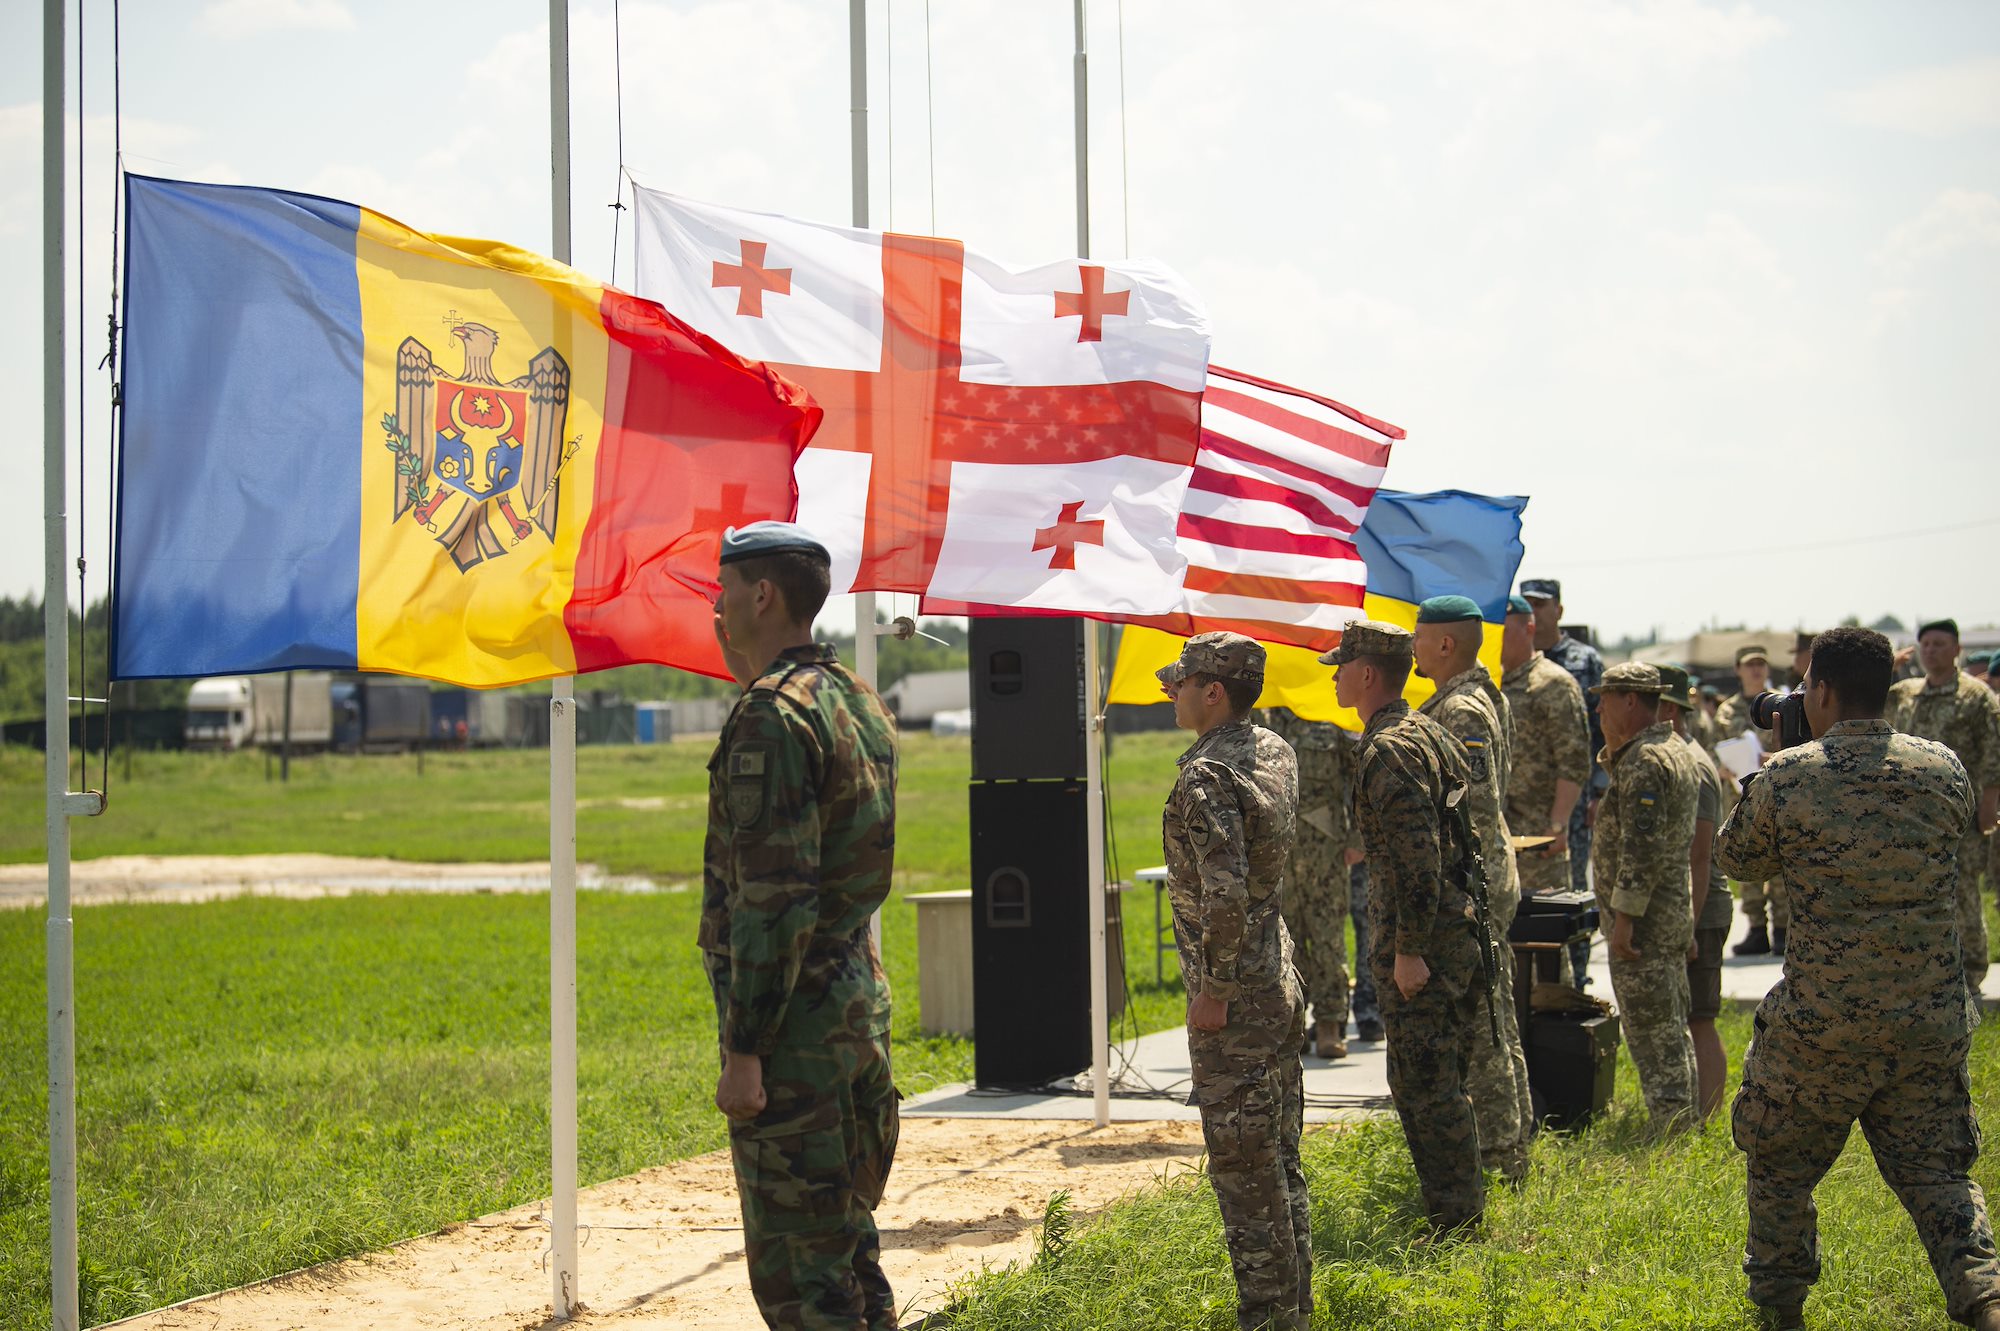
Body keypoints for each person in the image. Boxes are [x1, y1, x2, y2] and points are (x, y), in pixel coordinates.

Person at [1718, 627, 2000, 1331]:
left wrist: (1777, 762)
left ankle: (1781, 1309)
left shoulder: (1792, 774)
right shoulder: (1943, 766)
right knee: (1939, 1176)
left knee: (1780, 1165)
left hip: (1824, 1023)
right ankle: (1985, 1296)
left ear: (1819, 689)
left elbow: (1738, 858)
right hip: (1929, 1018)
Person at [703, 521, 902, 1331]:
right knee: (849, 1254)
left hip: (795, 1036)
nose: (716, 607)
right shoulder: (856, 698)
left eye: (724, 590)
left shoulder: (770, 716)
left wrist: (745, 1049)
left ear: (761, 594)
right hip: (854, 1011)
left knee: (802, 1284)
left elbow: (772, 897)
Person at [1158, 633, 1312, 1331]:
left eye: (1184, 682)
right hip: (1276, 975)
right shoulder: (1274, 748)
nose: (1173, 693)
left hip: (1237, 997)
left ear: (1213, 691)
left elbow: (1224, 894)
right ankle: (1295, 1308)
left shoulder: (1205, 777)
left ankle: (1270, 1317)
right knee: (1279, 1159)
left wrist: (1214, 990)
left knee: (1246, 1176)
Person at [1326, 620, 1487, 1233]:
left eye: (1342, 667)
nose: (1335, 678)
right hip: (1450, 933)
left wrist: (1409, 951)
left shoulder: (1388, 750)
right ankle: (1457, 1213)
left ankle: (1456, 1224)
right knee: (1437, 1081)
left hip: (1424, 945)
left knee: (1427, 1089)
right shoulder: (1427, 732)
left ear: (1367, 674)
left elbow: (1420, 859)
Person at [1415, 594, 1532, 1184]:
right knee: (1496, 1013)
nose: (1412, 647)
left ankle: (1501, 1156)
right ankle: (1515, 1141)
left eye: (1418, 636)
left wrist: (1463, 893)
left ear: (1444, 643)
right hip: (1483, 879)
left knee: (1482, 1024)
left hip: (1474, 883)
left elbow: (1474, 813)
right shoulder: (1476, 697)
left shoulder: (1461, 711)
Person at [1590, 661, 1701, 1136]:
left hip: (1645, 926)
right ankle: (1684, 1127)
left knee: (1655, 1039)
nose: (1599, 709)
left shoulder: (1645, 760)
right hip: (1667, 914)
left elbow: (1642, 848)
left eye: (1605, 699)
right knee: (1672, 1032)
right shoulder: (1671, 748)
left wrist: (1624, 921)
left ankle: (1673, 1134)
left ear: (1630, 700)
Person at [1886, 617, 2000, 994]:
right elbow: (1862, 702)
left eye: (1939, 644)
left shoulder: (1976, 696)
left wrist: (1989, 804)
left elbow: (1993, 753)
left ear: (1957, 650)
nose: (1931, 650)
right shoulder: (1905, 693)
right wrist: (1887, 666)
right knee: (1914, 891)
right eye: (1926, 644)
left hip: (1961, 812)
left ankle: (1971, 972)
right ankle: (1925, 971)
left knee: (1962, 890)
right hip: (1910, 814)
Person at [1259, 706, 1360, 1059]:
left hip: (1324, 847)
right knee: (1285, 939)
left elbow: (1356, 776)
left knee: (1328, 936)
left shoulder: (1329, 714)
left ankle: (1331, 1022)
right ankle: (1294, 1022)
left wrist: (1357, 837)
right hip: (1278, 848)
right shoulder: (1262, 718)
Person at [1521, 577, 1604, 988]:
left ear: (1559, 610)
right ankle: (1536, 979)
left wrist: (1600, 790)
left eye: (1542, 604)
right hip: (1528, 800)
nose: (1535, 612)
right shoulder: (1515, 660)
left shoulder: (1583, 660)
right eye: (1529, 604)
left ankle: (1578, 974)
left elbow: (1602, 729)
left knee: (1571, 888)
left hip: (1576, 797)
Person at [1656, 664, 1731, 1120]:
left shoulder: (1694, 765)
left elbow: (1700, 856)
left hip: (1700, 908)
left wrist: (1689, 927)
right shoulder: (1674, 756)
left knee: (1700, 1017)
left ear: (1667, 709)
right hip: (1688, 905)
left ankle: (1708, 1118)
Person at [1499, 593, 1591, 903]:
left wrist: (1558, 824)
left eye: (1504, 630)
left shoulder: (1553, 683)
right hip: (1500, 838)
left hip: (1539, 840)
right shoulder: (1492, 684)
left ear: (1529, 629)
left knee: (1543, 921)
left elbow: (1573, 760)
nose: (1496, 639)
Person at [1717, 644, 1788, 957]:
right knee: (1747, 858)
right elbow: (1715, 746)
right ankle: (1757, 929)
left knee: (1782, 862)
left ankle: (1783, 929)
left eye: (1761, 663)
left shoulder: (1783, 704)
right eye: (1749, 664)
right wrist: (1722, 766)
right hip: (1742, 797)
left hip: (1779, 793)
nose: (1756, 670)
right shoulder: (1727, 711)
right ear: (1738, 670)